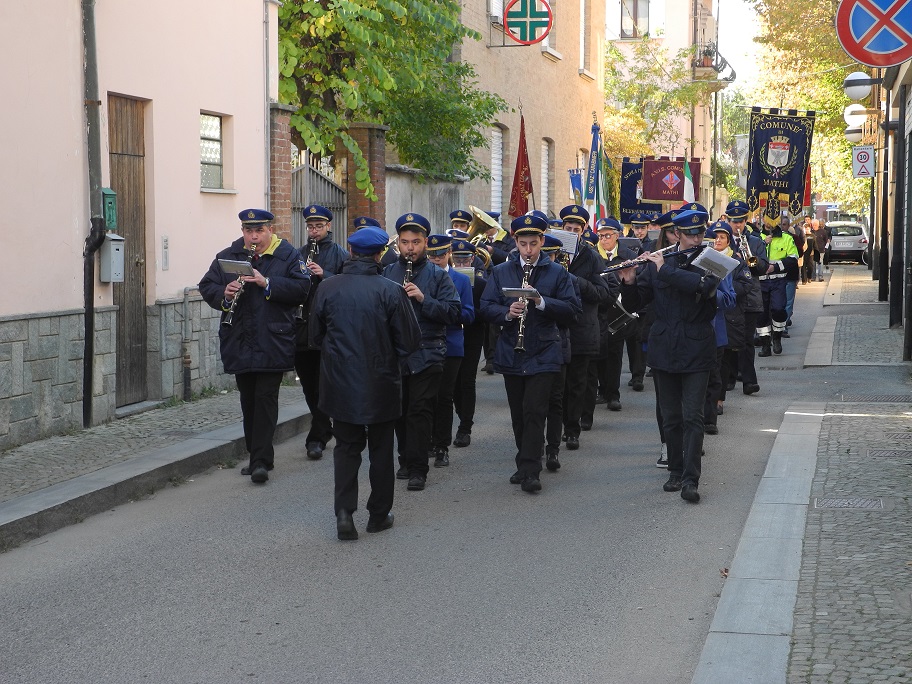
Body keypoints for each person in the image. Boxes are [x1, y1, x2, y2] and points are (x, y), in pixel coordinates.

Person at [617, 208, 735, 503]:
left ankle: (691, 479)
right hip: (664, 346)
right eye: (689, 234)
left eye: (700, 233)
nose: (697, 238)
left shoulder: (713, 260)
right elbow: (637, 304)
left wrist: (663, 269)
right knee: (670, 417)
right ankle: (675, 470)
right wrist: (629, 281)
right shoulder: (661, 261)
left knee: (693, 416)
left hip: (697, 346)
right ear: (675, 235)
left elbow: (703, 286)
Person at [310, 226, 421, 540]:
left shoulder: (327, 288)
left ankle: (344, 513)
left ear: (351, 251)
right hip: (382, 383)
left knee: (346, 449)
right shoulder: (390, 290)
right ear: (380, 254)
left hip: (340, 384)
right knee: (381, 450)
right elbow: (410, 341)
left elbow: (315, 338)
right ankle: (378, 514)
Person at [198, 209, 310, 484]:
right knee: (248, 400)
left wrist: (267, 282)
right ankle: (257, 455)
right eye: (248, 231)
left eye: (259, 231)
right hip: (239, 339)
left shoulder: (288, 255)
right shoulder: (230, 255)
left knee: (265, 399)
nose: (253, 237)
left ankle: (260, 460)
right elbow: (206, 285)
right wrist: (224, 294)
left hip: (273, 338)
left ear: (269, 229)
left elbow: (302, 289)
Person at [480, 214, 581, 493]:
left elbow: (573, 311)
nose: (528, 250)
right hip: (512, 349)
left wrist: (540, 301)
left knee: (535, 411)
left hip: (545, 349)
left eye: (533, 244)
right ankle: (524, 461)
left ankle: (530, 470)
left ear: (542, 241)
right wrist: (506, 312)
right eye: (523, 244)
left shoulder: (558, 273)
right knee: (519, 414)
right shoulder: (502, 271)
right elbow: (486, 306)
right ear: (515, 242)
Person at [383, 213, 462, 492]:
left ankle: (418, 469)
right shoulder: (387, 273)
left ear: (425, 243)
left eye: (416, 242)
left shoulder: (439, 276)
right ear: (398, 245)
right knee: (399, 411)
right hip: (396, 355)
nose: (410, 248)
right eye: (405, 243)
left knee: (419, 411)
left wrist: (423, 299)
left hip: (428, 352)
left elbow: (454, 313)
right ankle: (405, 459)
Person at [294, 204, 349, 460]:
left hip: (329, 328)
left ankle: (317, 437)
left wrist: (323, 274)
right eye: (310, 226)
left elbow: (346, 287)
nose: (314, 231)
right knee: (309, 385)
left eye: (318, 226)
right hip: (303, 327)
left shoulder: (340, 254)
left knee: (326, 384)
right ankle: (324, 427)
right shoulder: (299, 253)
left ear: (329, 226)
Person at [559, 205, 611, 448]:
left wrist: (577, 281)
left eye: (576, 229)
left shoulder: (591, 257)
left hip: (581, 329)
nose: (571, 232)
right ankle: (555, 428)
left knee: (578, 382)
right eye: (567, 228)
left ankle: (572, 429)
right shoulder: (550, 252)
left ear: (583, 231)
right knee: (557, 383)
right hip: (556, 328)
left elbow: (603, 293)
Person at [426, 234, 475, 468]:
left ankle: (442, 445)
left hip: (451, 343)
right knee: (425, 397)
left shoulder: (461, 280)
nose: (435, 259)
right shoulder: (420, 277)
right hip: (424, 343)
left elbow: (469, 314)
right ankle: (426, 440)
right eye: (431, 255)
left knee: (444, 397)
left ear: (448, 255)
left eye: (440, 255)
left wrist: (444, 312)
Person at [540, 234, 577, 472]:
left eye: (551, 254)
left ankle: (552, 448)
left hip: (558, 344)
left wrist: (544, 303)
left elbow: (573, 311)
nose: (546, 258)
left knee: (555, 401)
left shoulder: (564, 277)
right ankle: (529, 450)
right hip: (532, 347)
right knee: (532, 404)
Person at [725, 200, 765, 395]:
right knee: (730, 340)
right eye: (734, 221)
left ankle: (749, 381)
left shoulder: (756, 241)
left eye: (740, 220)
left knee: (747, 341)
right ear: (727, 220)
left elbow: (762, 268)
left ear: (746, 220)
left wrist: (748, 257)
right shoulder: (722, 240)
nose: (737, 225)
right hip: (731, 295)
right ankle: (730, 377)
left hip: (750, 296)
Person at [451, 239, 488, 448]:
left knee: (467, 380)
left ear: (472, 259)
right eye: (457, 259)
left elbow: (488, 311)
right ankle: (461, 414)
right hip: (453, 333)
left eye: (465, 259)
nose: (461, 263)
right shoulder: (447, 278)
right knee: (453, 383)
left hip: (472, 335)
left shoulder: (481, 283)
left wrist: (471, 312)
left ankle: (465, 427)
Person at [756, 213, 799, 356]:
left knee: (779, 309)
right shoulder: (756, 238)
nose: (770, 222)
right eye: (767, 218)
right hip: (760, 281)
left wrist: (775, 267)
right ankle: (765, 344)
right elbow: (748, 259)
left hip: (778, 280)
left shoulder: (786, 238)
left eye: (773, 218)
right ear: (763, 219)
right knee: (761, 314)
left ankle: (777, 337)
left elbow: (793, 259)